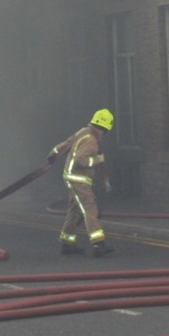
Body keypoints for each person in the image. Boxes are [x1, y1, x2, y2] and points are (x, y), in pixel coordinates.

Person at [51, 108, 115, 257]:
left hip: (71, 177)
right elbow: (80, 160)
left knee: (75, 211)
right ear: (105, 128)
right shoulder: (92, 140)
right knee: (90, 209)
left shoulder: (83, 132)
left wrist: (53, 154)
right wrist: (97, 160)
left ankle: (67, 244)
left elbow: (66, 144)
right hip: (78, 180)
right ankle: (98, 244)